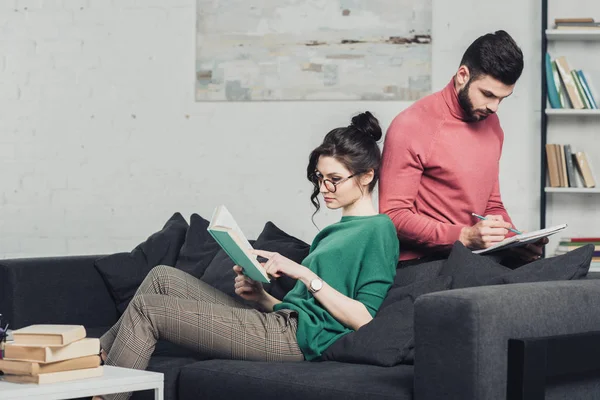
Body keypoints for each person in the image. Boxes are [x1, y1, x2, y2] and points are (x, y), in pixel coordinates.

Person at [93, 111, 399, 400]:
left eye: (334, 178)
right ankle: (95, 356)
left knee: (149, 310)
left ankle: (101, 385)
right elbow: (300, 309)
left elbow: (364, 318)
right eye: (319, 178)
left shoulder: (379, 230)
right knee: (162, 278)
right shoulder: (335, 231)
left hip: (294, 340)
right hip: (281, 323)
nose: (323, 188)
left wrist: (305, 274)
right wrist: (261, 297)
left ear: (366, 176)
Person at [379, 30, 546, 267]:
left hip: (475, 258)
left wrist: (514, 240)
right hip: (424, 262)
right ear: (462, 75)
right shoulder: (411, 125)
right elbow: (393, 216)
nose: (494, 107)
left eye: (503, 98)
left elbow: (491, 205)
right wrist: (464, 236)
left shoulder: (491, 124)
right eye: (488, 94)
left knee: (555, 275)